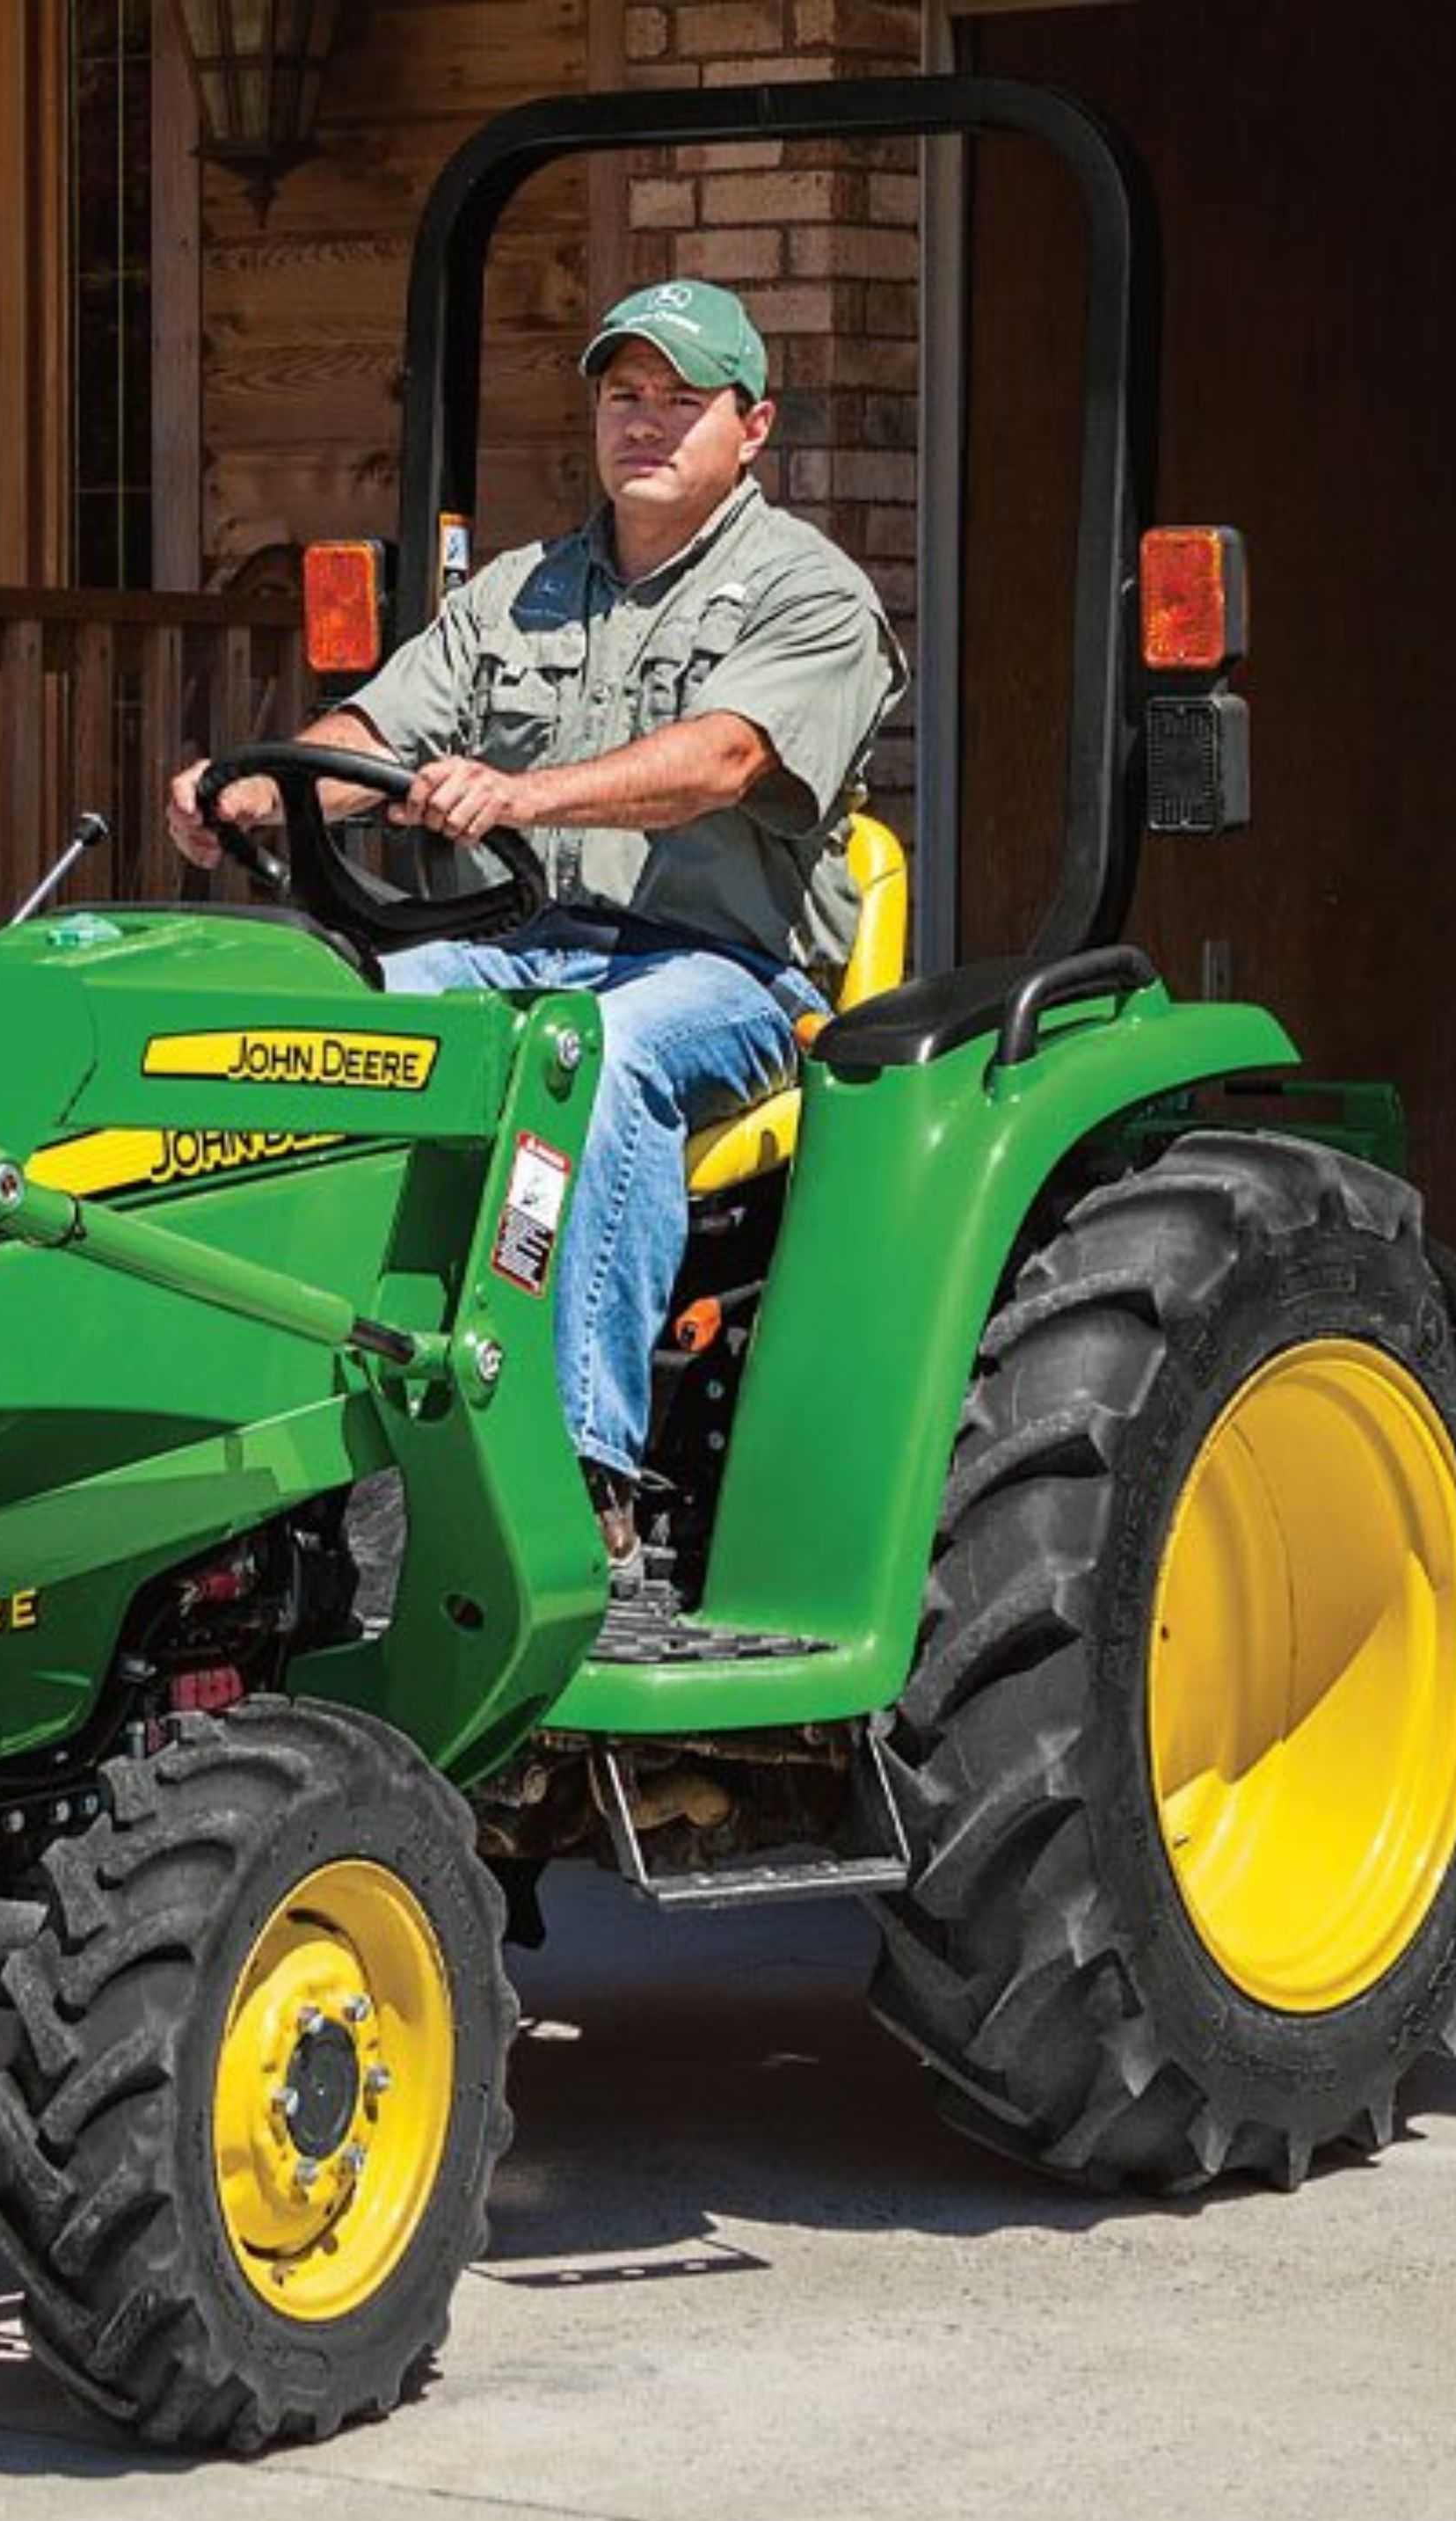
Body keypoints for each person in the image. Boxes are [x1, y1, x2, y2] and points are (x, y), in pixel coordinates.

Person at [169, 277, 906, 1585]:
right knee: (333, 1023)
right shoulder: (521, 592)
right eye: (624, 396)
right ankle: (272, 1425)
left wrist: (525, 792)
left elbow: (726, 757)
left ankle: (579, 1487)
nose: (646, 424)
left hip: (723, 973)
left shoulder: (809, 593)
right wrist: (254, 784)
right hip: (528, 940)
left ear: (752, 427)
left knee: (592, 1055)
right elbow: (375, 742)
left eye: (681, 401)